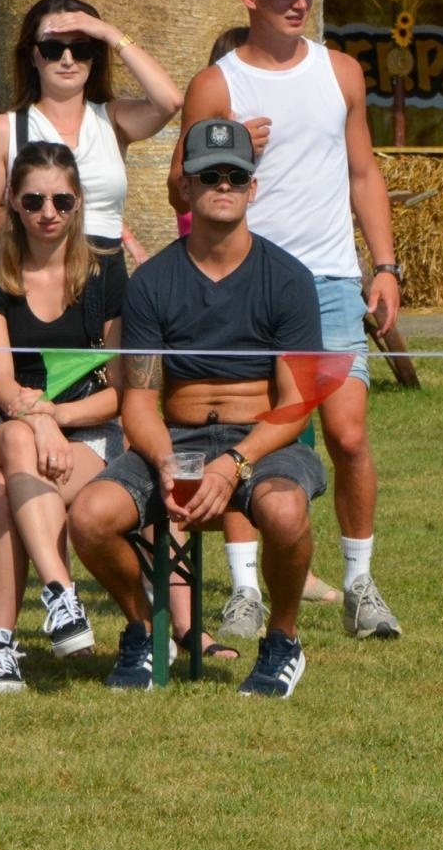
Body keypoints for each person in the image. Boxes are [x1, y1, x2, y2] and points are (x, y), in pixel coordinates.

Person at [171, 0, 404, 640]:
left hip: (330, 282)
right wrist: (233, 148)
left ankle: (360, 582)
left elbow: (363, 172)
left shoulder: (343, 72)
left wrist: (385, 266)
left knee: (348, 434)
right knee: (249, 432)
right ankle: (245, 588)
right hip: (251, 282)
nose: (298, 2)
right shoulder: (216, 84)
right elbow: (177, 187)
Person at [70, 119, 327, 697]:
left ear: (252, 188)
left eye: (236, 175)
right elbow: (138, 401)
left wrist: (233, 461)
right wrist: (166, 461)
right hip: (176, 440)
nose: (223, 184)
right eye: (208, 174)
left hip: (263, 442)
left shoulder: (288, 280)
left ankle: (282, 642)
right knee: (89, 516)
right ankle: (143, 629)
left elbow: (295, 407)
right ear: (184, 187)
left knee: (285, 512)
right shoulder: (152, 282)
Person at [0, 141, 130, 691]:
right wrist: (39, 422)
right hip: (14, 429)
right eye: (34, 200)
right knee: (15, 438)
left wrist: (53, 416)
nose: (48, 213)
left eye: (62, 201)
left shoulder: (106, 274)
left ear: (79, 202)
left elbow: (120, 391)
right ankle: (61, 592)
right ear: (13, 203)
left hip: (91, 434)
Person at [0, 0, 181, 258]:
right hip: (35, 271)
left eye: (81, 48)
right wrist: (26, 208)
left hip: (104, 272)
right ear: (32, 55)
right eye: (52, 49)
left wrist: (110, 33)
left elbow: (170, 101)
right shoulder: (4, 129)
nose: (67, 60)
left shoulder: (112, 118)